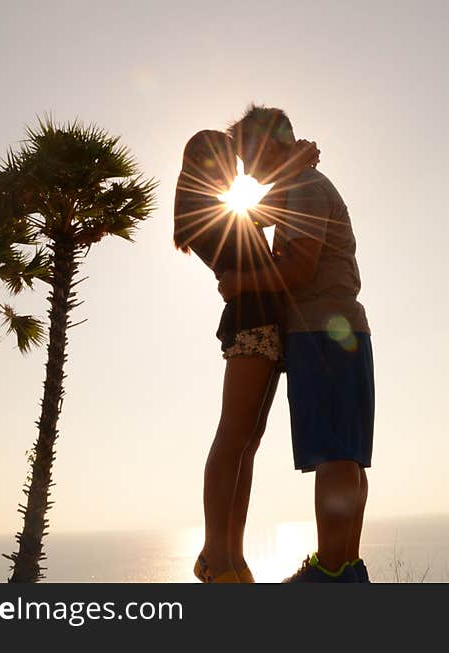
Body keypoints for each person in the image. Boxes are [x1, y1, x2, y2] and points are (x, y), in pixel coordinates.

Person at [220, 105, 374, 582]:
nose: (246, 170)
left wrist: (239, 283)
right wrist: (295, 160)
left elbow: (301, 267)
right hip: (334, 331)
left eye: (249, 156)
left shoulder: (305, 188)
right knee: (346, 453)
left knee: (334, 454)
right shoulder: (299, 184)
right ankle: (344, 568)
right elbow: (258, 211)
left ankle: (330, 573)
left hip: (321, 331)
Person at [174, 129, 317, 583]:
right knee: (233, 439)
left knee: (247, 445)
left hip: (264, 327)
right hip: (250, 327)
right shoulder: (200, 208)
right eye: (227, 166)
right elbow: (264, 214)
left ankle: (231, 556)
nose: (235, 175)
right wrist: (293, 169)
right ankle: (217, 557)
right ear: (206, 162)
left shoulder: (217, 208)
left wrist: (290, 171)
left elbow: (260, 216)